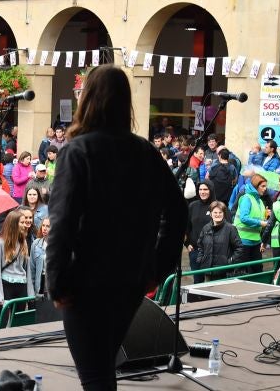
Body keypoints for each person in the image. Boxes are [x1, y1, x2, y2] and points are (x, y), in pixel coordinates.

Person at [46, 65, 187, 390]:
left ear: (88, 100)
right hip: (130, 281)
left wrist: (56, 283)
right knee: (102, 369)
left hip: (86, 283)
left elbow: (63, 222)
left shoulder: (76, 151)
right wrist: (156, 266)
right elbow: (177, 210)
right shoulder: (145, 151)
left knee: (95, 377)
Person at [0, 211, 33, 327]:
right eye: (22, 222)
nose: (25, 224)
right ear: (13, 224)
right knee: (2, 323)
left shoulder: (23, 241)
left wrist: (30, 293)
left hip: (21, 285)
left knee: (19, 323)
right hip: (6, 285)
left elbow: (27, 269)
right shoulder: (0, 243)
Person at [196, 201, 244, 281]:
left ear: (224, 214)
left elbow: (239, 248)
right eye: (215, 212)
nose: (217, 215)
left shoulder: (230, 229)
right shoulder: (206, 228)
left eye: (220, 212)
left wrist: (229, 261)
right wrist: (201, 259)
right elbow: (200, 245)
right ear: (211, 214)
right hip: (208, 270)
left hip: (224, 272)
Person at [232, 173, 269, 275]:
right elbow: (244, 218)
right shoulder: (246, 198)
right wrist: (261, 222)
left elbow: (257, 218)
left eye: (266, 186)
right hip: (243, 241)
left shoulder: (260, 201)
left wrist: (265, 216)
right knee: (242, 272)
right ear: (256, 186)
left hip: (255, 241)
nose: (265, 189)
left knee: (257, 270)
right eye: (263, 186)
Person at [186, 180, 215, 284]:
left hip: (214, 251)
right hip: (195, 250)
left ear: (211, 190)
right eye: (200, 189)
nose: (202, 192)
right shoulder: (193, 206)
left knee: (213, 283)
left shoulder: (217, 206)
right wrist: (187, 243)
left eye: (205, 189)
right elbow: (187, 227)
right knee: (197, 281)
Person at [30, 217, 50, 295]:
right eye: (43, 225)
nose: (44, 228)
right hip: (40, 284)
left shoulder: (58, 245)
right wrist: (31, 292)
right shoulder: (36, 243)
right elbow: (32, 269)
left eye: (48, 226)